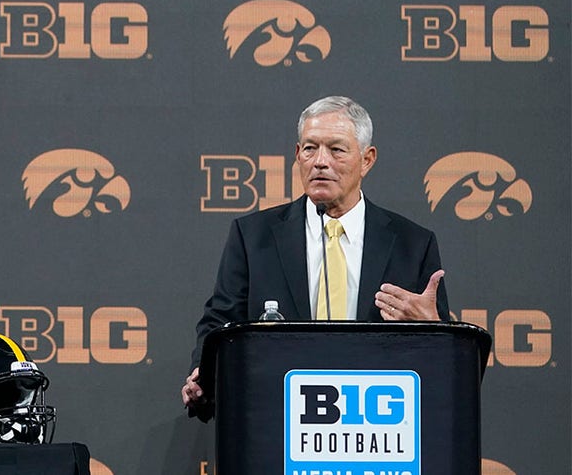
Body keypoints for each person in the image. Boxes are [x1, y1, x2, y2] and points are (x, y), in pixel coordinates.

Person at [181, 96, 449, 417]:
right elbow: (219, 323)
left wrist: (435, 330)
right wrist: (203, 373)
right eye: (310, 149)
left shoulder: (413, 244)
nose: (320, 161)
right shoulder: (253, 236)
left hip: (378, 425)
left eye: (336, 149)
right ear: (297, 155)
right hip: (277, 419)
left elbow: (445, 362)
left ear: (367, 159)